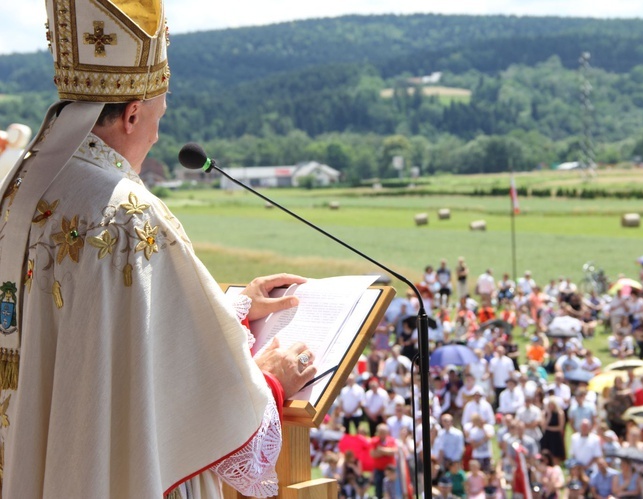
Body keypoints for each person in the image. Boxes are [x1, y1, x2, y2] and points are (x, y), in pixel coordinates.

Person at [0, 3, 318, 498]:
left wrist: (235, 307)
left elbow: (115, 332)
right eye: (158, 116)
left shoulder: (25, 186)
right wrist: (269, 384)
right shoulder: (128, 211)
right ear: (131, 114)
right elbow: (182, 395)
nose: (157, 132)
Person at [371, 423, 398, 499]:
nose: (382, 434)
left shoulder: (391, 440)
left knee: (392, 490)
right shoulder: (374, 441)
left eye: (384, 432)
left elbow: (394, 451)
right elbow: (373, 454)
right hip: (379, 470)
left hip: (390, 470)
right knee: (379, 489)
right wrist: (387, 452)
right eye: (380, 432)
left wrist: (381, 450)